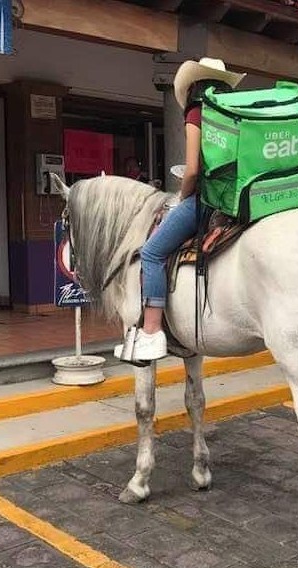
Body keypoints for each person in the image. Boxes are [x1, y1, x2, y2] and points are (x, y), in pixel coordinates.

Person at [116, 57, 246, 362]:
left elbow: (191, 170)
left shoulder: (197, 113)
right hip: (240, 199)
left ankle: (150, 331)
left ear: (193, 88)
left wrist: (184, 196)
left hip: (206, 200)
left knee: (151, 252)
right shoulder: (237, 115)